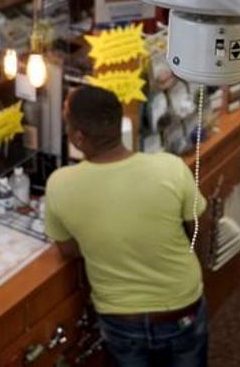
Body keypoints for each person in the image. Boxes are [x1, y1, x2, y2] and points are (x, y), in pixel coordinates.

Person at [45, 85, 209, 367]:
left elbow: (69, 250)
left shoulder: (60, 185)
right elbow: (197, 226)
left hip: (121, 319)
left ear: (79, 138)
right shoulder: (170, 168)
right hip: (183, 306)